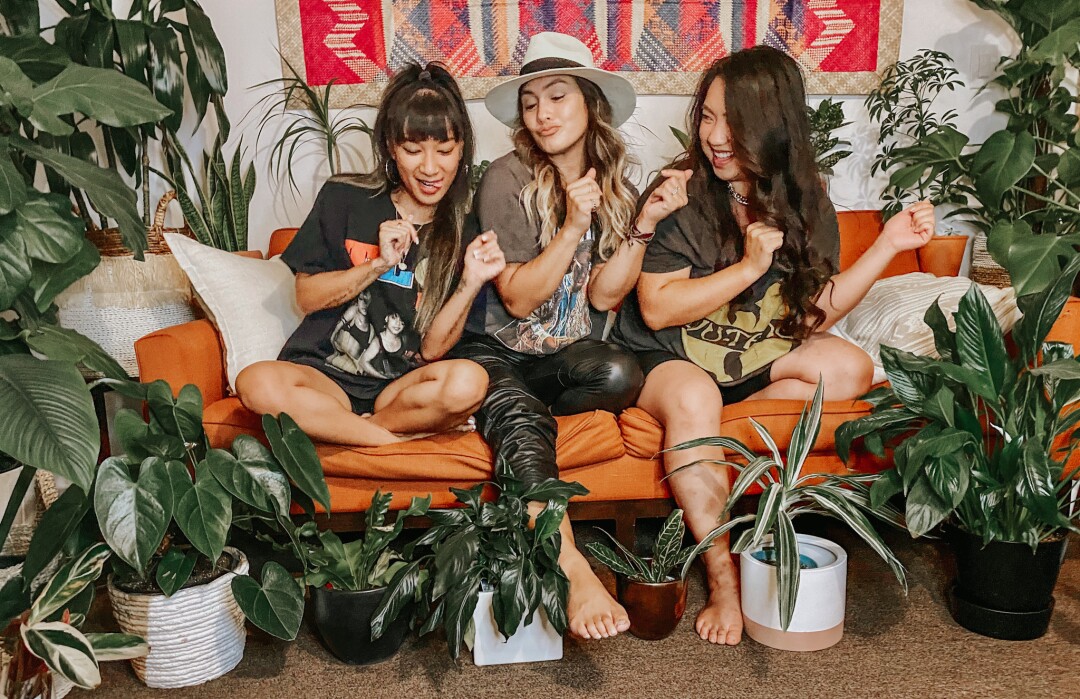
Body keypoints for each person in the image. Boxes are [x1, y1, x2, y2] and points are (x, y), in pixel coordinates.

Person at [611, 45, 936, 645]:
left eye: (731, 120)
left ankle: (709, 438)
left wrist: (888, 245)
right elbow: (657, 306)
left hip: (751, 356)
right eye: (706, 116)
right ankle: (726, 579)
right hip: (668, 355)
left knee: (850, 368)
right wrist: (746, 266)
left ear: (773, 122)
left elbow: (814, 311)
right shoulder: (682, 190)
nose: (714, 135)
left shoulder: (806, 197)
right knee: (691, 399)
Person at [450, 32, 690, 641]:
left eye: (557, 97)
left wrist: (644, 224)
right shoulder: (504, 179)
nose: (543, 114)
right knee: (517, 405)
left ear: (589, 103)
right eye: (531, 103)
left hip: (561, 360)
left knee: (619, 373)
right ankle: (570, 560)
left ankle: (519, 419)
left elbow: (606, 297)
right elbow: (518, 297)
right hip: (498, 349)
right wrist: (572, 225)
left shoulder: (611, 179)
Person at [236, 63, 507, 446]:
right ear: (392, 150)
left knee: (470, 382)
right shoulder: (345, 198)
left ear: (461, 150)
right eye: (413, 150)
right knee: (255, 383)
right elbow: (306, 297)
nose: (431, 168)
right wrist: (378, 264)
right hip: (322, 378)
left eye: (444, 151)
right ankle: (389, 442)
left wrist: (471, 280)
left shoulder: (464, 228)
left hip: (396, 391)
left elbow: (432, 350)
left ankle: (348, 430)